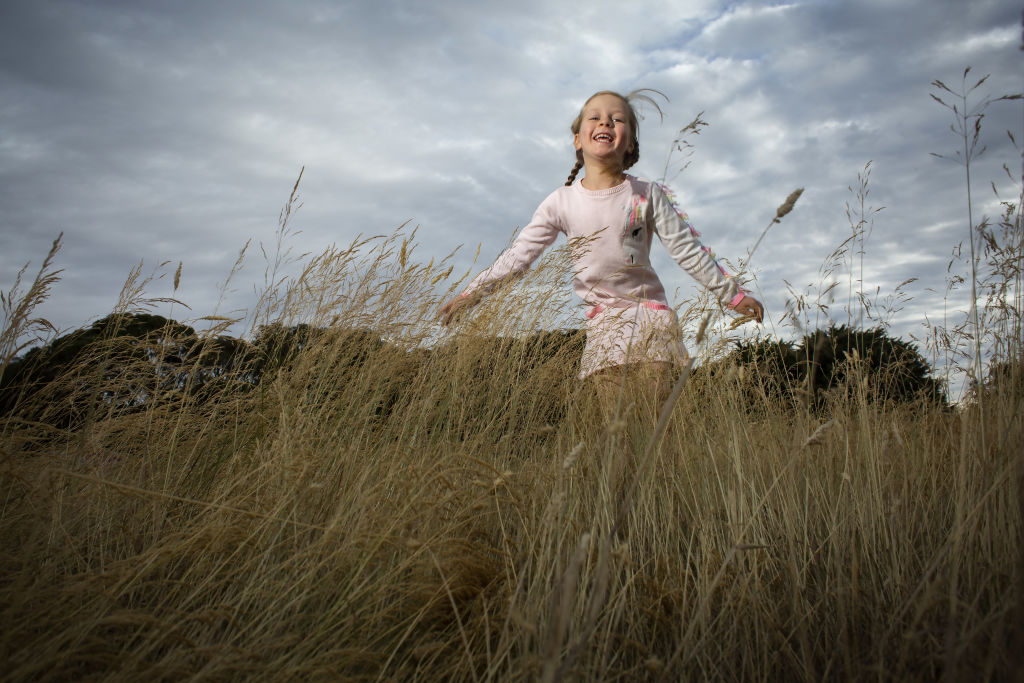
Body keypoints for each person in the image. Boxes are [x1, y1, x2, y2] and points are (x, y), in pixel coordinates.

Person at [438, 90, 764, 393]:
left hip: (651, 316)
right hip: (603, 324)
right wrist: (473, 294)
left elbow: (688, 250)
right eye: (594, 117)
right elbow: (519, 256)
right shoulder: (560, 202)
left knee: (652, 426)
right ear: (578, 139)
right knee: (614, 438)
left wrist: (733, 297)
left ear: (631, 144)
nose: (605, 121)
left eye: (617, 119)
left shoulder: (646, 194)